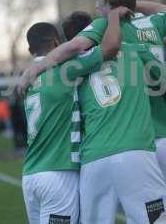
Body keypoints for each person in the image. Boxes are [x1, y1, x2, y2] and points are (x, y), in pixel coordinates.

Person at [19, 0, 166, 224]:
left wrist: (37, 67)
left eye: (98, 0)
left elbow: (75, 48)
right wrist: (127, 6)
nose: (96, 6)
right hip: (141, 144)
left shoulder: (78, 59)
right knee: (163, 214)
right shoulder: (143, 39)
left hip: (93, 156)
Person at [60, 7, 166, 223]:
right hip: (136, 149)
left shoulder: (67, 69)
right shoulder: (133, 50)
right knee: (156, 216)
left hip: (93, 157)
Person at [21, 15, 123, 224]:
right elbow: (110, 48)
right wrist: (113, 16)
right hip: (58, 173)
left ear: (31, 51)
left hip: (30, 174)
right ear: (58, 43)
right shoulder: (65, 69)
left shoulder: (28, 79)